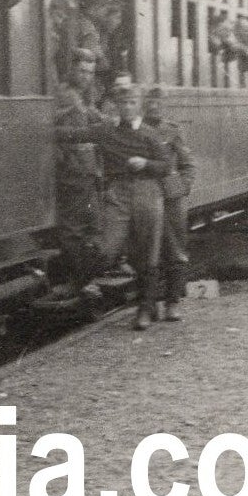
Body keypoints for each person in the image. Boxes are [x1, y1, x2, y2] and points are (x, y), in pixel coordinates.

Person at [95, 81, 171, 329]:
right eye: (122, 103)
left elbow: (166, 166)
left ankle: (145, 309)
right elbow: (74, 135)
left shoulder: (150, 134)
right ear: (116, 106)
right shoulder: (107, 131)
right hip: (118, 194)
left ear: (139, 106)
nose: (127, 108)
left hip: (147, 191)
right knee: (108, 248)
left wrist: (146, 163)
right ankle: (145, 303)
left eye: (131, 103)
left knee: (148, 252)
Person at [52, 47, 107, 293]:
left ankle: (87, 277)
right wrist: (91, 133)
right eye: (82, 71)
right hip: (71, 171)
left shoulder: (81, 96)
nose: (87, 76)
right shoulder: (66, 95)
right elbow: (55, 131)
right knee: (75, 228)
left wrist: (114, 124)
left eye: (90, 72)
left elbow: (95, 117)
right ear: (71, 69)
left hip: (84, 171)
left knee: (90, 224)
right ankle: (80, 281)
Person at [143, 84, 196, 320]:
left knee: (175, 247)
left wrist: (182, 187)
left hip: (171, 197)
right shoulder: (136, 130)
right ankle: (150, 302)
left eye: (158, 103)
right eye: (150, 102)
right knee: (146, 250)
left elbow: (187, 164)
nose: (154, 107)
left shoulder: (172, 131)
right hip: (145, 195)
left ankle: (173, 301)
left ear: (164, 106)